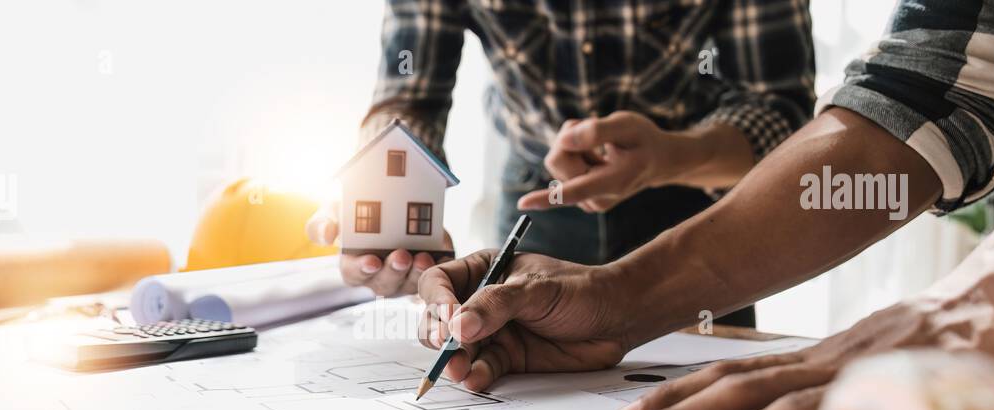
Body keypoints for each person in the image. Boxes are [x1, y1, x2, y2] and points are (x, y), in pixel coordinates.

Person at [416, 0, 994, 410]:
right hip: (540, 190)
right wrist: (621, 299)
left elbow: (785, 107)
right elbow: (937, 86)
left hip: (699, 190)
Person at [307, 0, 816, 333]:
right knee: (520, 394)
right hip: (535, 201)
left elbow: (779, 109)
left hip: (696, 198)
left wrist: (672, 155)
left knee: (694, 395)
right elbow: (411, 93)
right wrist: (378, 187)